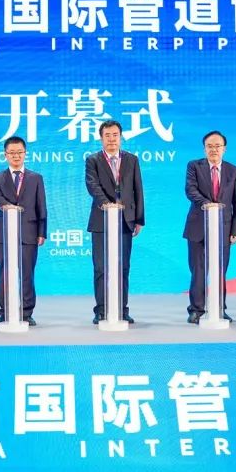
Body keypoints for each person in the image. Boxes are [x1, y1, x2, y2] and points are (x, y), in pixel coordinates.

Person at [85, 119, 144, 324]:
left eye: (115, 135)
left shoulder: (131, 160)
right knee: (101, 268)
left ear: (121, 137)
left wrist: (139, 219)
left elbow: (138, 189)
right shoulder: (93, 160)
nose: (111, 139)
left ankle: (122, 309)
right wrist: (107, 204)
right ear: (101, 138)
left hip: (126, 220)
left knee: (123, 267)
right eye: (107, 135)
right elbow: (92, 185)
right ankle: (101, 310)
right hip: (101, 220)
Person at [183, 130, 236, 324]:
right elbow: (190, 190)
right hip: (198, 227)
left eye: (217, 146)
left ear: (224, 149)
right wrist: (208, 205)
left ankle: (219, 309)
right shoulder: (194, 166)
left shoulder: (234, 171)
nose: (214, 149)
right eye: (210, 146)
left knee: (220, 271)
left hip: (224, 228)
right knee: (198, 271)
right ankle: (196, 310)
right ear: (204, 149)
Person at [0, 136, 47, 326]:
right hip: (4, 234)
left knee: (27, 274)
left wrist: (42, 232)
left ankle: (26, 312)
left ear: (25, 154)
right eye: (12, 153)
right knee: (5, 273)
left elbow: (41, 206)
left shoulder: (36, 178)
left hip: (29, 232)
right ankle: (5, 311)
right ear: (5, 155)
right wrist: (8, 206)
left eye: (19, 152)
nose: (16, 156)